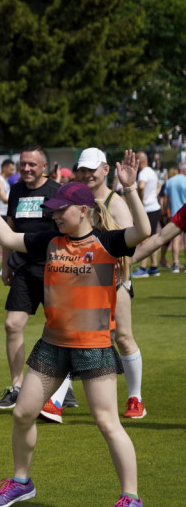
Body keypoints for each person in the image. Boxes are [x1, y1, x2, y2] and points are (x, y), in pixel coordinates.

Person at [0, 153, 150, 507]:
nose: (54, 215)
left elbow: (143, 232)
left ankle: (132, 498)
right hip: (51, 346)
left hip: (94, 347)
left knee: (106, 422)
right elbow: (6, 236)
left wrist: (129, 189)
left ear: (82, 210)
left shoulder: (108, 242)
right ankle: (22, 481)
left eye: (60, 210)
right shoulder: (49, 241)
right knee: (22, 413)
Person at [70, 148, 148, 419]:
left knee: (123, 338)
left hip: (115, 282)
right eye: (82, 169)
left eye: (92, 169)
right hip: (82, 285)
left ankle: (135, 398)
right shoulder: (75, 200)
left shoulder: (115, 201)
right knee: (74, 338)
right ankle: (56, 398)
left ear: (105, 170)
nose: (87, 174)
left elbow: (133, 244)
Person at [0, 146, 62, 411]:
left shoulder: (57, 191)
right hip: (24, 267)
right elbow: (9, 229)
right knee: (12, 324)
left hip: (54, 269)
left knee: (60, 328)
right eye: (23, 164)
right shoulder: (16, 190)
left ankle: (61, 388)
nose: (26, 169)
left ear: (43, 166)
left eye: (32, 164)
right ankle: (16, 387)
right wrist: (5, 265)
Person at [131, 151, 163, 278]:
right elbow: (159, 185)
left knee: (143, 238)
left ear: (139, 161)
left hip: (147, 209)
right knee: (152, 237)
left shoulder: (143, 173)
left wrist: (140, 199)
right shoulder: (152, 171)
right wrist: (154, 195)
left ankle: (143, 267)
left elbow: (141, 185)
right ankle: (154, 266)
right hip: (154, 207)